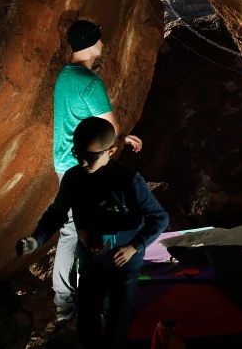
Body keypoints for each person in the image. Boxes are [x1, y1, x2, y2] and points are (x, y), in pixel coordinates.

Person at [18, 117, 168, 348]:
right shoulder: (73, 178)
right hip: (91, 262)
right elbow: (57, 213)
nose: (83, 162)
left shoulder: (128, 182)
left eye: (91, 156)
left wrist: (134, 246)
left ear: (112, 151)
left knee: (117, 324)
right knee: (86, 323)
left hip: (123, 264)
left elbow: (159, 217)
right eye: (78, 154)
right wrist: (36, 239)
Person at [50, 20, 143, 323]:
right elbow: (110, 127)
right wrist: (122, 136)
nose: (103, 43)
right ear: (91, 44)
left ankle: (63, 303)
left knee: (68, 235)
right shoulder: (91, 83)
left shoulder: (65, 76)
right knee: (95, 232)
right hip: (87, 167)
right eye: (100, 39)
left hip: (64, 162)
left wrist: (121, 136)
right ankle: (93, 303)